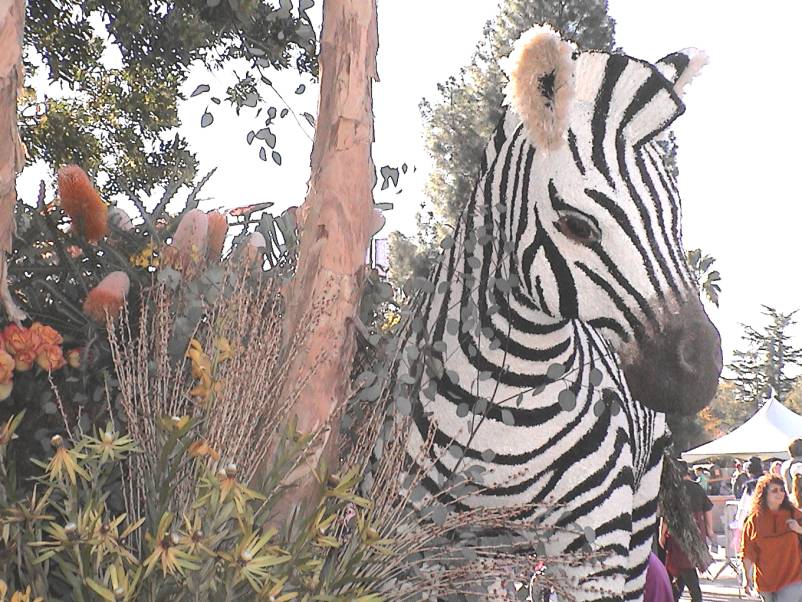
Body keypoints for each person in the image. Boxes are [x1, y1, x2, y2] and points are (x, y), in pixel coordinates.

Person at [740, 475, 802, 600]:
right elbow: (747, 553)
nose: (780, 493)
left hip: (793, 577)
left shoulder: (794, 514)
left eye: (781, 489)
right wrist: (747, 579)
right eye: (774, 490)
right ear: (763, 494)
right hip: (765, 582)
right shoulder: (754, 520)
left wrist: (799, 529)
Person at [659, 461, 713, 602]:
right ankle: (675, 597)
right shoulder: (697, 488)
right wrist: (709, 530)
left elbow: (667, 516)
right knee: (683, 570)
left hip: (679, 535)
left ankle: (693, 598)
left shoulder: (673, 490)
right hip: (696, 533)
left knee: (685, 569)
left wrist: (661, 534)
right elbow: (707, 510)